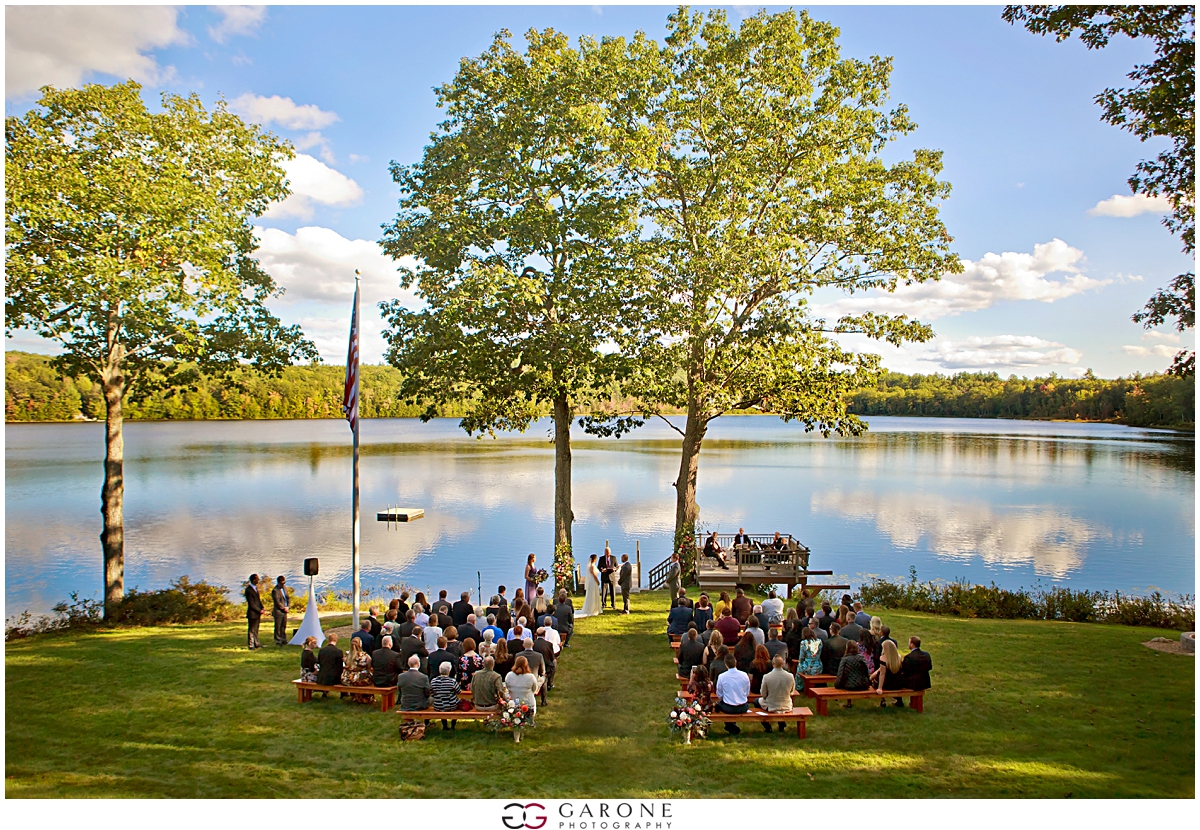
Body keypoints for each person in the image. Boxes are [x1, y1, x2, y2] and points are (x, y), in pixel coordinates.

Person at [758, 655, 796, 731]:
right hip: (786, 705)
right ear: (783, 664)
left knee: (757, 702)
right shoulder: (790, 676)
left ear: (773, 664)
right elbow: (792, 692)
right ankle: (781, 723)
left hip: (772, 705)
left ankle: (767, 725)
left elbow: (763, 694)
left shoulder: (767, 677)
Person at [714, 655, 750, 733]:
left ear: (725, 664)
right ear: (735, 662)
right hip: (743, 707)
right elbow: (747, 692)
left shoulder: (722, 676)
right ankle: (731, 725)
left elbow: (719, 694)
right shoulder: (744, 675)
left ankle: (730, 725)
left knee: (718, 705)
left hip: (728, 707)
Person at [870, 639, 906, 706]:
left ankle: (883, 700)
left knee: (878, 675)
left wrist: (880, 688)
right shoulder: (899, 657)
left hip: (887, 683)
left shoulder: (883, 658)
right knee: (878, 671)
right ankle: (899, 700)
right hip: (897, 683)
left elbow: (882, 674)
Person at [430, 662, 462, 730]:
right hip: (451, 705)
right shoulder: (452, 681)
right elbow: (459, 692)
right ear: (449, 671)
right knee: (457, 701)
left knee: (442, 702)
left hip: (438, 705)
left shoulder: (433, 681)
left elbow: (431, 693)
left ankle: (445, 725)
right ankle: (453, 726)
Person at [342, 638, 374, 703]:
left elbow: (344, 665)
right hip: (361, 678)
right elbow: (369, 667)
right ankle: (366, 698)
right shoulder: (364, 656)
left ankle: (355, 697)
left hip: (348, 678)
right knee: (368, 677)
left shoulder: (347, 655)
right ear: (360, 645)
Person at [517, 637, 548, 705]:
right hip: (533, 681)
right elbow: (543, 671)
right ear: (533, 644)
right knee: (544, 678)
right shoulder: (539, 656)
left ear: (523, 645)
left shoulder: (518, 655)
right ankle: (544, 701)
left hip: (520, 680)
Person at [244, 574, 264, 650]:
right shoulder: (248, 590)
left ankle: (257, 643)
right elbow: (251, 603)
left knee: (256, 628)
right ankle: (251, 644)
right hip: (252, 613)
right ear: (253, 580)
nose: (258, 580)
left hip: (257, 613)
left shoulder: (255, 588)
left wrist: (262, 607)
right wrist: (259, 610)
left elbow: (258, 600)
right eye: (257, 579)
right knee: (252, 629)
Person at [580, 553, 602, 617]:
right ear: (594, 559)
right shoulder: (592, 566)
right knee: (592, 594)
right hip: (593, 581)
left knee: (595, 594)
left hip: (592, 581)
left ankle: (595, 608)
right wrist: (598, 581)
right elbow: (594, 575)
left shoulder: (592, 565)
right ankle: (592, 609)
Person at [271, 575, 289, 646]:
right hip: (278, 611)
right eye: (282, 583)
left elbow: (288, 598)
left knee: (283, 626)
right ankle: (278, 640)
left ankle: (283, 639)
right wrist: (283, 608)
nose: (283, 584)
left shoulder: (285, 588)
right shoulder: (275, 590)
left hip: (285, 610)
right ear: (279, 582)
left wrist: (288, 606)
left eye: (284, 583)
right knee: (278, 626)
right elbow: (277, 601)